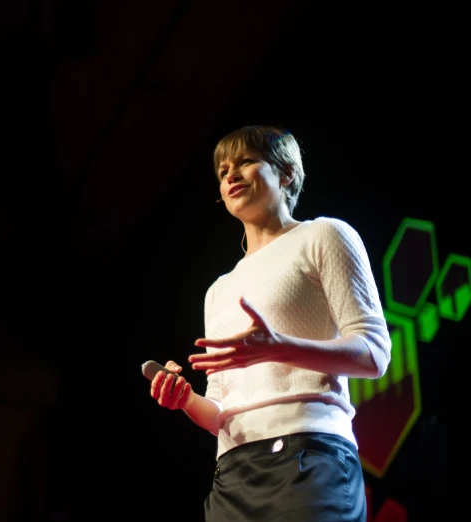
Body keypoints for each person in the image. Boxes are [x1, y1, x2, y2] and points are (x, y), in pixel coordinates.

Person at [148, 125, 391, 522]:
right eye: (223, 169)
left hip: (310, 457)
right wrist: (186, 400)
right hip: (233, 474)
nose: (230, 174)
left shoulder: (323, 235)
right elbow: (221, 410)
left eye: (245, 161)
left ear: (285, 174)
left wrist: (279, 346)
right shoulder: (218, 290)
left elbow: (375, 354)